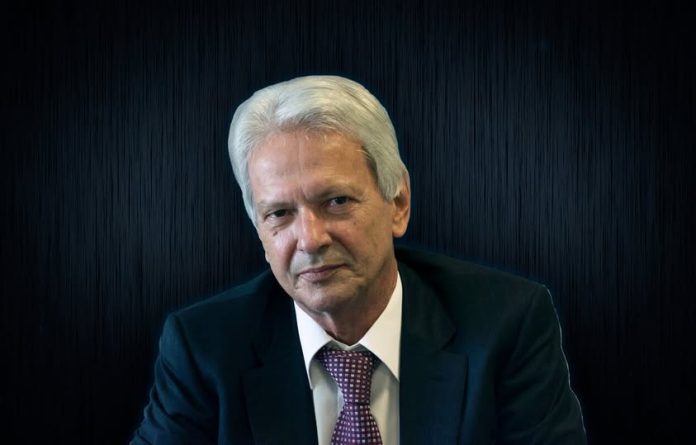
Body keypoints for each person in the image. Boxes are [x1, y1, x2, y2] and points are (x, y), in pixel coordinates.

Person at [131, 75, 587, 444]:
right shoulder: (204, 348)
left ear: (398, 202)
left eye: (337, 202)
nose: (310, 240)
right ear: (259, 230)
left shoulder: (507, 324)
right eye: (280, 214)